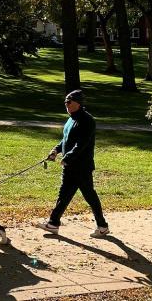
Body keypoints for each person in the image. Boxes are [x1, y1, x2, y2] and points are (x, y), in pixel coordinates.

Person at [36, 89, 110, 237]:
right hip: (71, 166)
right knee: (65, 195)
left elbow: (82, 143)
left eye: (69, 102)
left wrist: (67, 157)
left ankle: (101, 226)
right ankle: (53, 223)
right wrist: (56, 151)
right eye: (65, 102)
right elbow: (66, 139)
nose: (66, 104)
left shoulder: (87, 120)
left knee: (88, 196)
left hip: (81, 167)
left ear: (78, 103)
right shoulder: (71, 119)